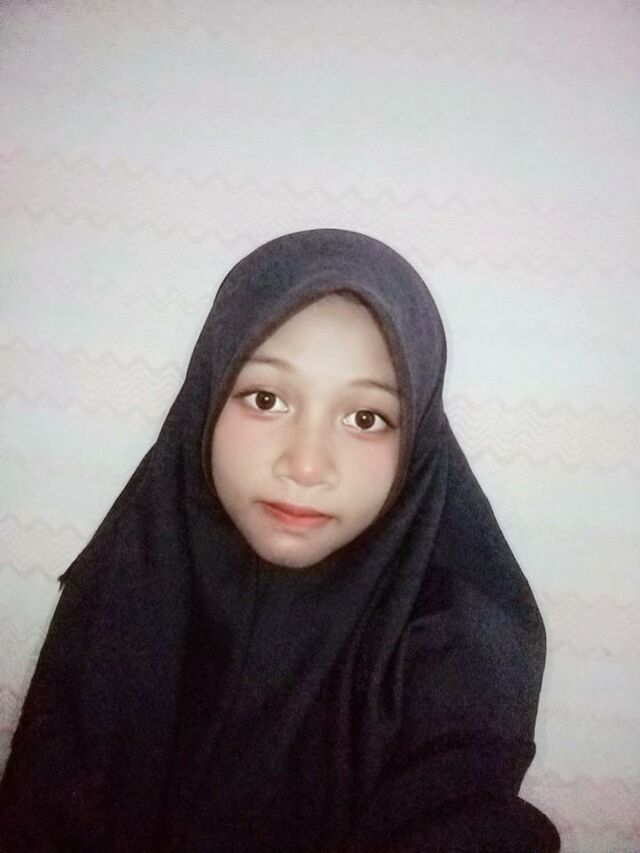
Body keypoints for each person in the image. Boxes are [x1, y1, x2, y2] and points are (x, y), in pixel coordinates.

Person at [0, 229, 560, 852]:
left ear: (417, 442)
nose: (307, 464)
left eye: (365, 418)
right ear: (206, 401)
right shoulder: (127, 584)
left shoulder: (463, 642)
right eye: (265, 399)